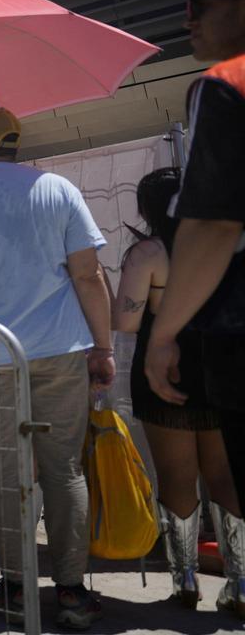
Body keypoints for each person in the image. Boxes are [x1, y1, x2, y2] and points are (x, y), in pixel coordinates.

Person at [0, 106, 112, 629]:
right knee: (63, 471)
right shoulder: (57, 189)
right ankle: (73, 592)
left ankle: (12, 586)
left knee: (5, 476)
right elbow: (88, 275)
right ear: (13, 144)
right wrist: (103, 347)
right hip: (59, 349)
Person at [145, 0, 245, 620]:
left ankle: (190, 575)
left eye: (198, 5)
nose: (187, 20)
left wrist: (165, 333)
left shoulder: (225, 84)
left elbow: (211, 225)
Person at [114, 168, 240, 610]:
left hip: (162, 370)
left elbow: (127, 322)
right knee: (226, 476)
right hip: (221, 366)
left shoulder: (146, 253)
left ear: (147, 209)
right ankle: (241, 583)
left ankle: (185, 580)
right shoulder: (222, 245)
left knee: (176, 477)